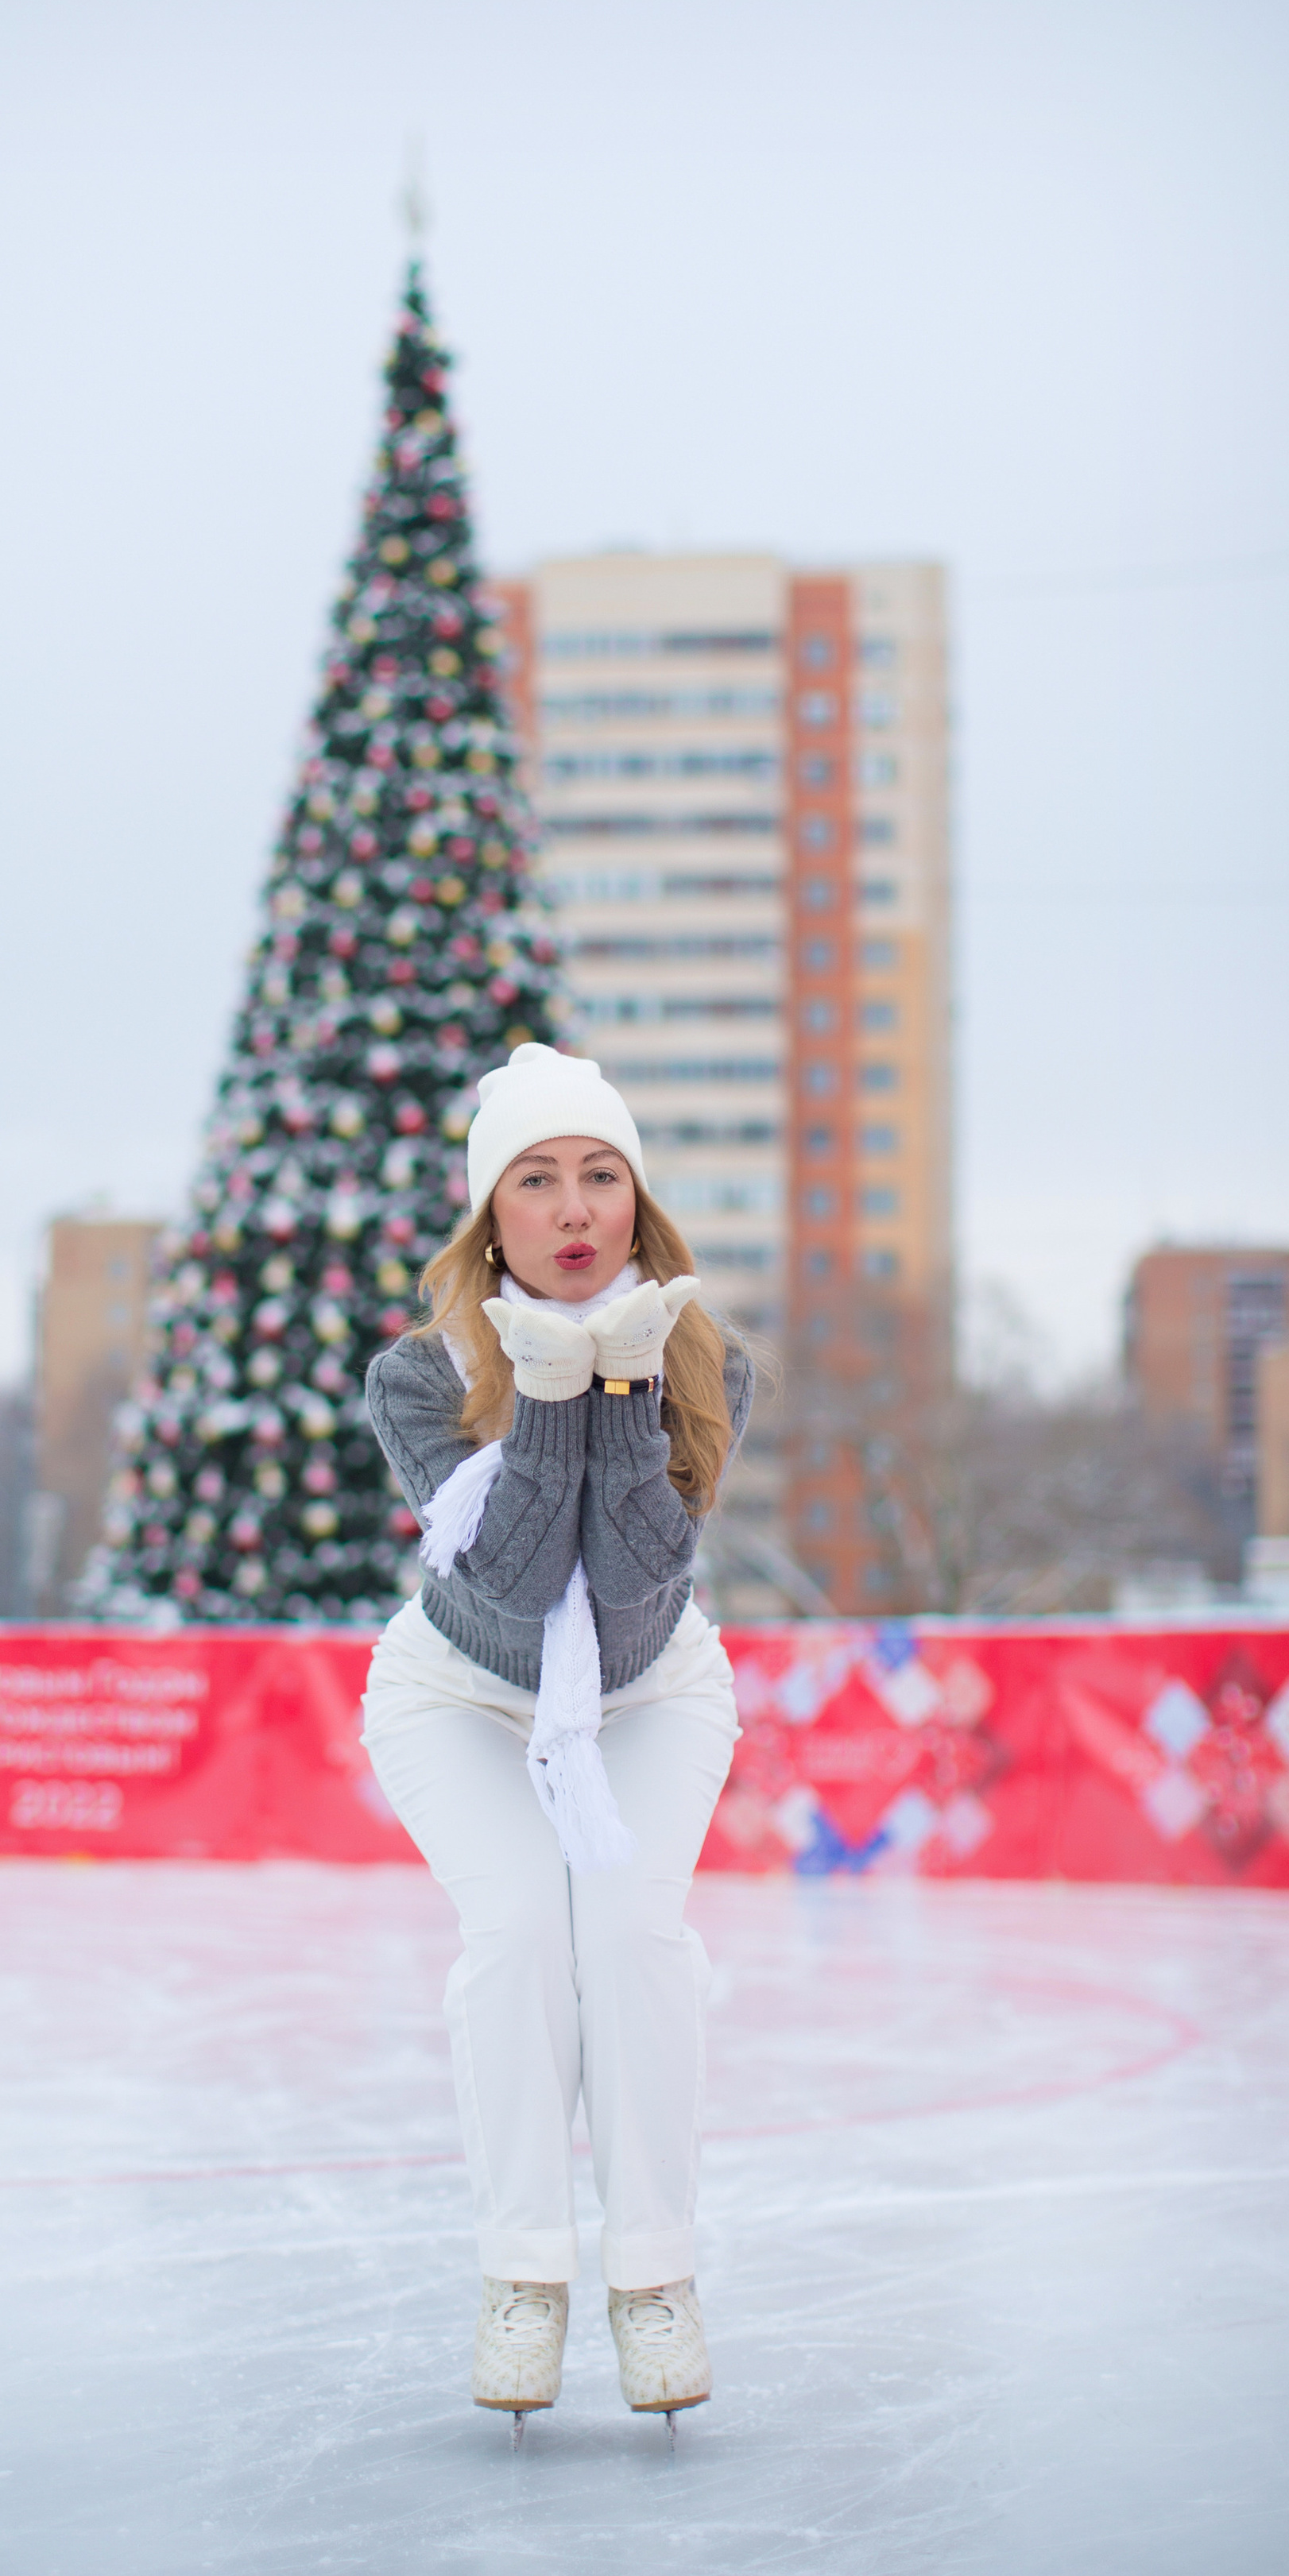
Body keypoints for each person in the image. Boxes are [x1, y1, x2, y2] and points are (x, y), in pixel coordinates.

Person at [363, 1040, 753, 2430]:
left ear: (639, 1207)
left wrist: (627, 1393)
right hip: (459, 1692)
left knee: (632, 1940)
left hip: (650, 1687)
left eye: (602, 1176)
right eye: (538, 1181)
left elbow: (643, 1569)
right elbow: (517, 1582)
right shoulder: (419, 1377)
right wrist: (544, 1394)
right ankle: (524, 2276)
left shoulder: (703, 1356)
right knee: (522, 1936)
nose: (575, 1207)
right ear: (492, 1219)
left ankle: (654, 2281)